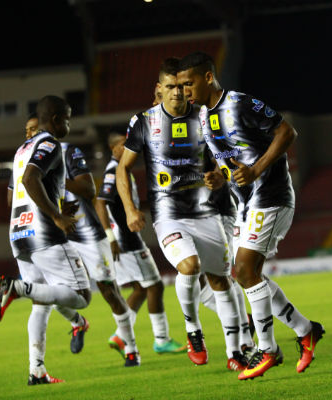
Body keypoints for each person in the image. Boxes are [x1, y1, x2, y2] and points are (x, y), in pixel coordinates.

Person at [177, 52, 325, 380]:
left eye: (189, 83)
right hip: (244, 204)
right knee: (245, 275)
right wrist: (218, 176)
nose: (185, 90)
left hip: (271, 196)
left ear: (207, 77)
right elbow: (232, 159)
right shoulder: (204, 116)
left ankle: (268, 349)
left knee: (244, 270)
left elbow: (288, 133)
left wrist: (257, 169)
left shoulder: (241, 103)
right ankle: (305, 330)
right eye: (181, 85)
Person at [116, 57, 249, 371]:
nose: (177, 92)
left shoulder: (206, 117)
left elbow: (229, 157)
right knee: (189, 266)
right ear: (159, 89)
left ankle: (235, 354)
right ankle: (193, 330)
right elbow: (124, 167)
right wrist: (130, 209)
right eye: (170, 86)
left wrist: (221, 174)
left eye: (181, 86)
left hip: (210, 212)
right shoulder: (145, 121)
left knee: (221, 281)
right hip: (169, 214)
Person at [26, 115, 142, 367]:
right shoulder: (24, 161)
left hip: (85, 230)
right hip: (53, 233)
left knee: (109, 291)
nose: (30, 135)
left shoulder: (67, 151)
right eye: (27, 131)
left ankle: (131, 348)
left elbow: (89, 190)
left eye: (35, 129)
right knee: (54, 293)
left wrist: (52, 180)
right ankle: (77, 323)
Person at [0, 95, 91, 385]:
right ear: (58, 119)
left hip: (19, 232)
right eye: (69, 117)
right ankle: (17, 288)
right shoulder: (49, 144)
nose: (70, 123)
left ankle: (36, 370)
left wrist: (54, 206)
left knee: (42, 302)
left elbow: (14, 196)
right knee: (82, 295)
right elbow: (30, 180)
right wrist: (56, 216)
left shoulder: (21, 150)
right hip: (44, 233)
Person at [95, 132, 185, 354]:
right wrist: (111, 237)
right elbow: (100, 203)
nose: (128, 148)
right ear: (114, 149)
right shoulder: (113, 171)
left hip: (125, 238)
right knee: (154, 285)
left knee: (141, 288)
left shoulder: (123, 169)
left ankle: (120, 335)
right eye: (123, 145)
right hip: (125, 240)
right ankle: (161, 340)